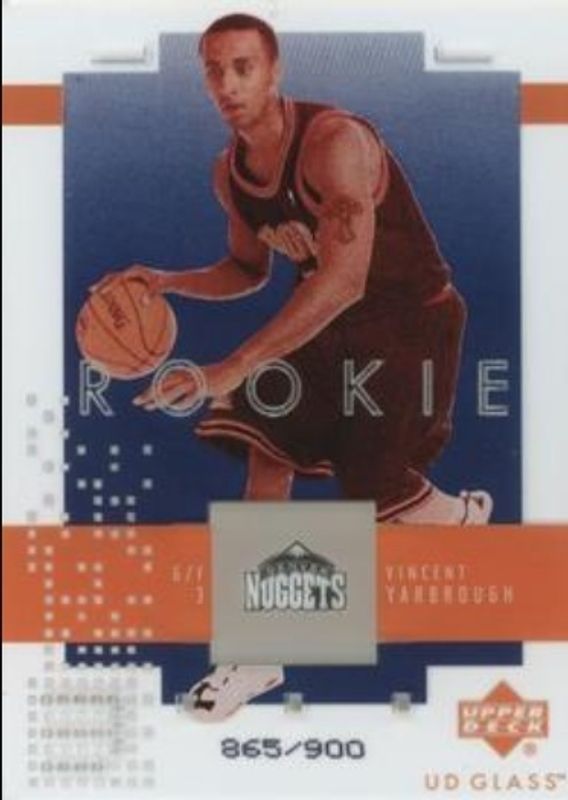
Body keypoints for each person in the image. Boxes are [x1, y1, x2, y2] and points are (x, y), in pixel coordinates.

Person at [106, 13, 493, 719]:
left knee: (373, 494)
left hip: (410, 321)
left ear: (275, 71)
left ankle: (459, 520)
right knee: (267, 448)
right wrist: (168, 282)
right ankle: (258, 654)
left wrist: (230, 366)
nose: (227, 84)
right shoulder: (229, 173)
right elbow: (247, 269)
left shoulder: (334, 144)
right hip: (328, 325)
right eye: (214, 70)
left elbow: (344, 281)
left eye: (243, 67)